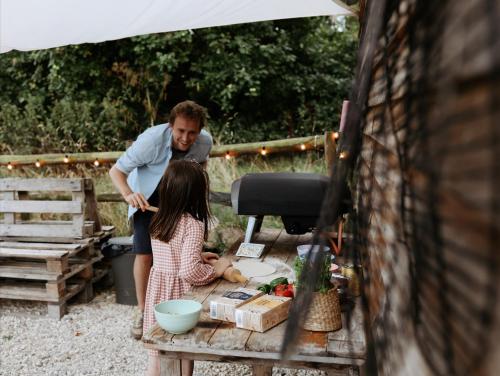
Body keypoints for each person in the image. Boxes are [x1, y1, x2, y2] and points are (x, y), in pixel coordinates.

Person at [109, 100, 213, 340]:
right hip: (147, 196)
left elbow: (202, 164)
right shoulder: (150, 140)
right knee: (145, 253)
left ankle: (183, 302)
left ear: (200, 130)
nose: (186, 138)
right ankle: (143, 310)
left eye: (192, 132)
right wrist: (128, 194)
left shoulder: (205, 141)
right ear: (170, 126)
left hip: (179, 193)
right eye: (180, 131)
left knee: (183, 248)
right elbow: (117, 171)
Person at [143, 160, 231, 376]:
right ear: (197, 194)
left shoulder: (159, 219)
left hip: (158, 292)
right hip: (177, 297)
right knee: (182, 352)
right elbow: (188, 271)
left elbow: (169, 254)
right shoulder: (193, 224)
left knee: (158, 351)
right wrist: (217, 270)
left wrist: (198, 255)